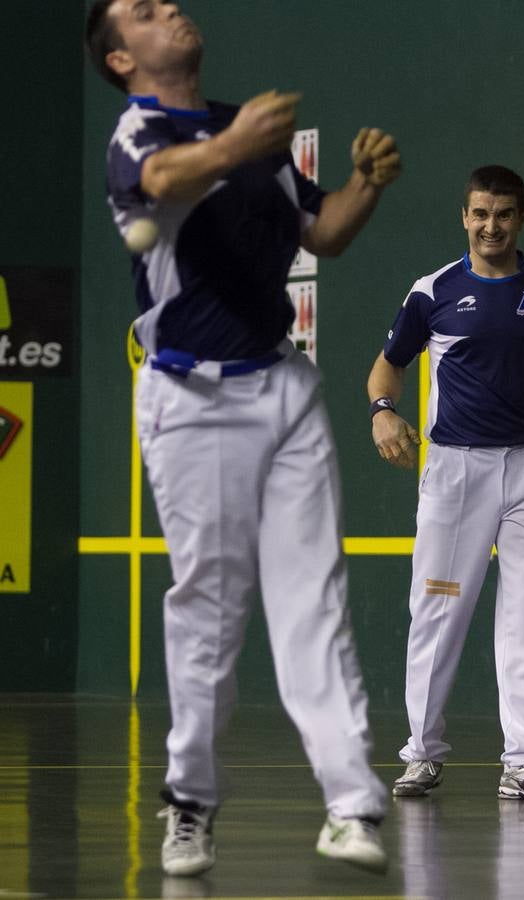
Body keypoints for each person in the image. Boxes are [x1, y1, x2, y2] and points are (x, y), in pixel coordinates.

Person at [85, 0, 401, 877]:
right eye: (144, 11)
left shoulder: (248, 130)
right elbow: (160, 183)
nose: (170, 9)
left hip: (283, 385)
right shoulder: (138, 134)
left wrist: (366, 183)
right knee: (210, 607)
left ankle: (351, 804)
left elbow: (322, 233)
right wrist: (234, 144)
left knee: (315, 597)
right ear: (120, 59)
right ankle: (189, 801)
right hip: (191, 397)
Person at [366, 165, 524, 802]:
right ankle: (422, 751)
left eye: (503, 215)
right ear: (464, 217)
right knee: (439, 610)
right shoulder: (433, 292)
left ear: (520, 218)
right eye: (480, 214)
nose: (491, 226)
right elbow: (387, 367)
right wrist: (383, 413)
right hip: (456, 473)